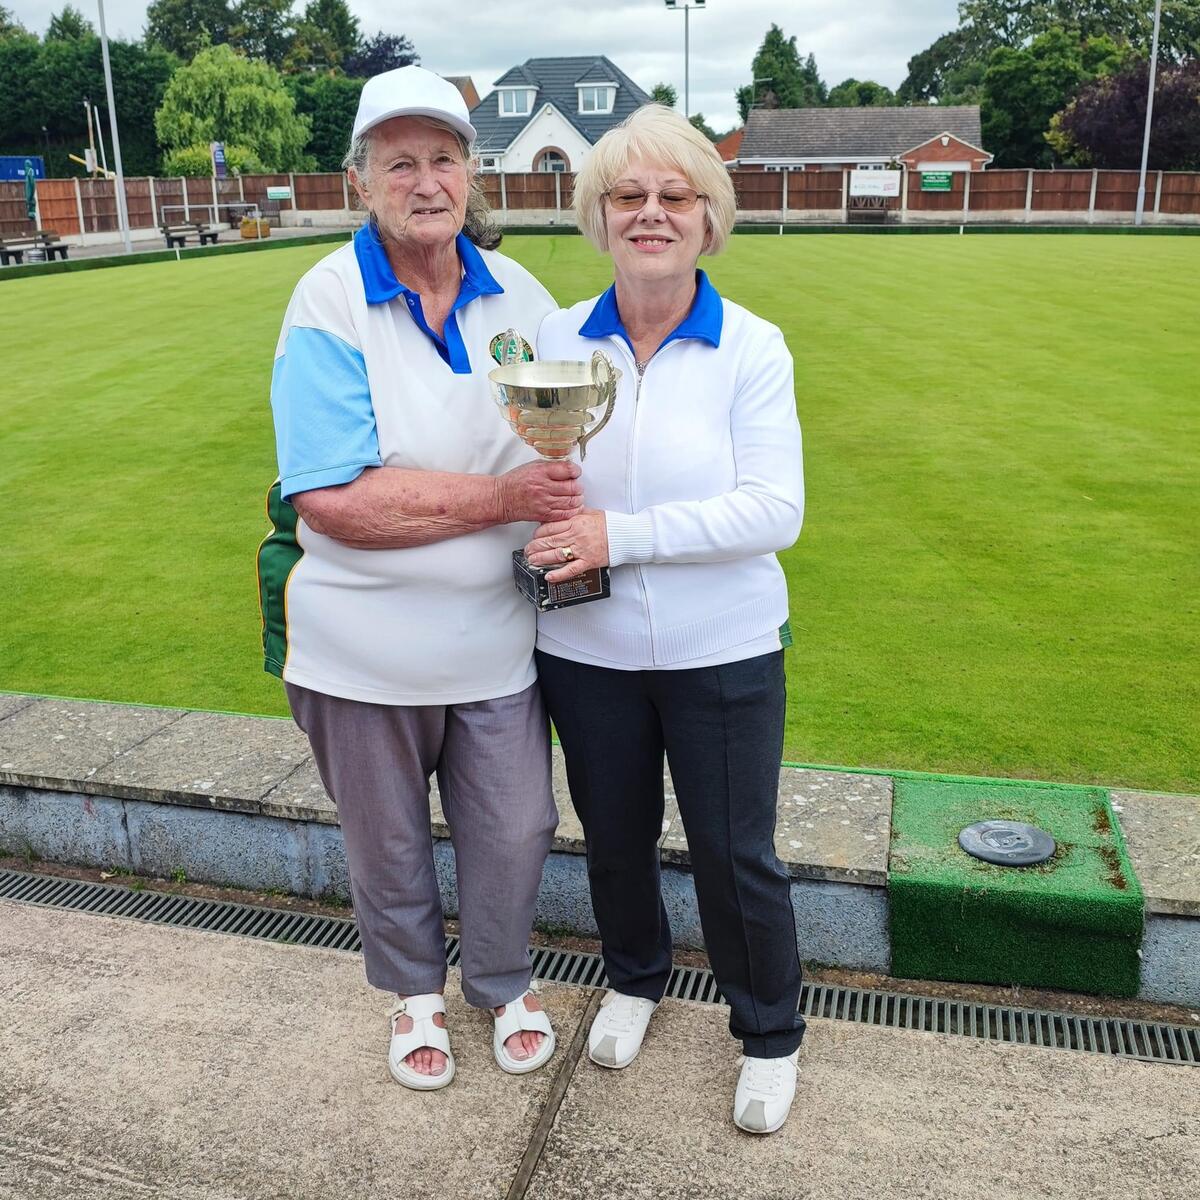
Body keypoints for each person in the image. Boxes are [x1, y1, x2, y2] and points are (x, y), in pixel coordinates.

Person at [256, 66, 581, 1090]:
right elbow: (333, 499)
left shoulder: (519, 295)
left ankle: (498, 978)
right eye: (400, 162)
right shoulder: (328, 301)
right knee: (386, 841)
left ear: (472, 174)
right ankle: (413, 997)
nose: (426, 180)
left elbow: (569, 434)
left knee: (517, 822)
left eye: (444, 158)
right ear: (362, 183)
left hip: (493, 636)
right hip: (359, 644)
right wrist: (498, 501)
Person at [526, 104, 806, 1134]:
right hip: (584, 647)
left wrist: (619, 535)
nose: (650, 213)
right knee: (613, 838)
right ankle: (636, 980)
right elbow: (535, 479)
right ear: (600, 217)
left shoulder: (751, 347)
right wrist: (538, 523)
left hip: (722, 649)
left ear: (708, 218)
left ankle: (768, 1033)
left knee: (738, 854)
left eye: (672, 196)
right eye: (627, 196)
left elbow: (776, 510)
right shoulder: (557, 338)